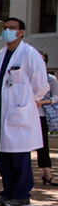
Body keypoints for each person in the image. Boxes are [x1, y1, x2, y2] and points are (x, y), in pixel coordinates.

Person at [0, 18, 49, 206]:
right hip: (0, 110)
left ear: (21, 32)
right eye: (5, 28)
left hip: (19, 110)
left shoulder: (30, 54)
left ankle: (21, 195)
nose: (7, 31)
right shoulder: (0, 54)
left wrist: (27, 101)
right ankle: (8, 191)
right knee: (1, 154)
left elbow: (41, 85)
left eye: (12, 28)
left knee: (19, 156)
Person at [36, 52, 57, 186]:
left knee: (43, 146)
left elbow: (56, 97)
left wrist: (42, 102)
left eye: (42, 60)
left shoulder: (51, 79)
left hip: (41, 116)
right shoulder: (29, 78)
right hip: (26, 116)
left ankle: (47, 175)